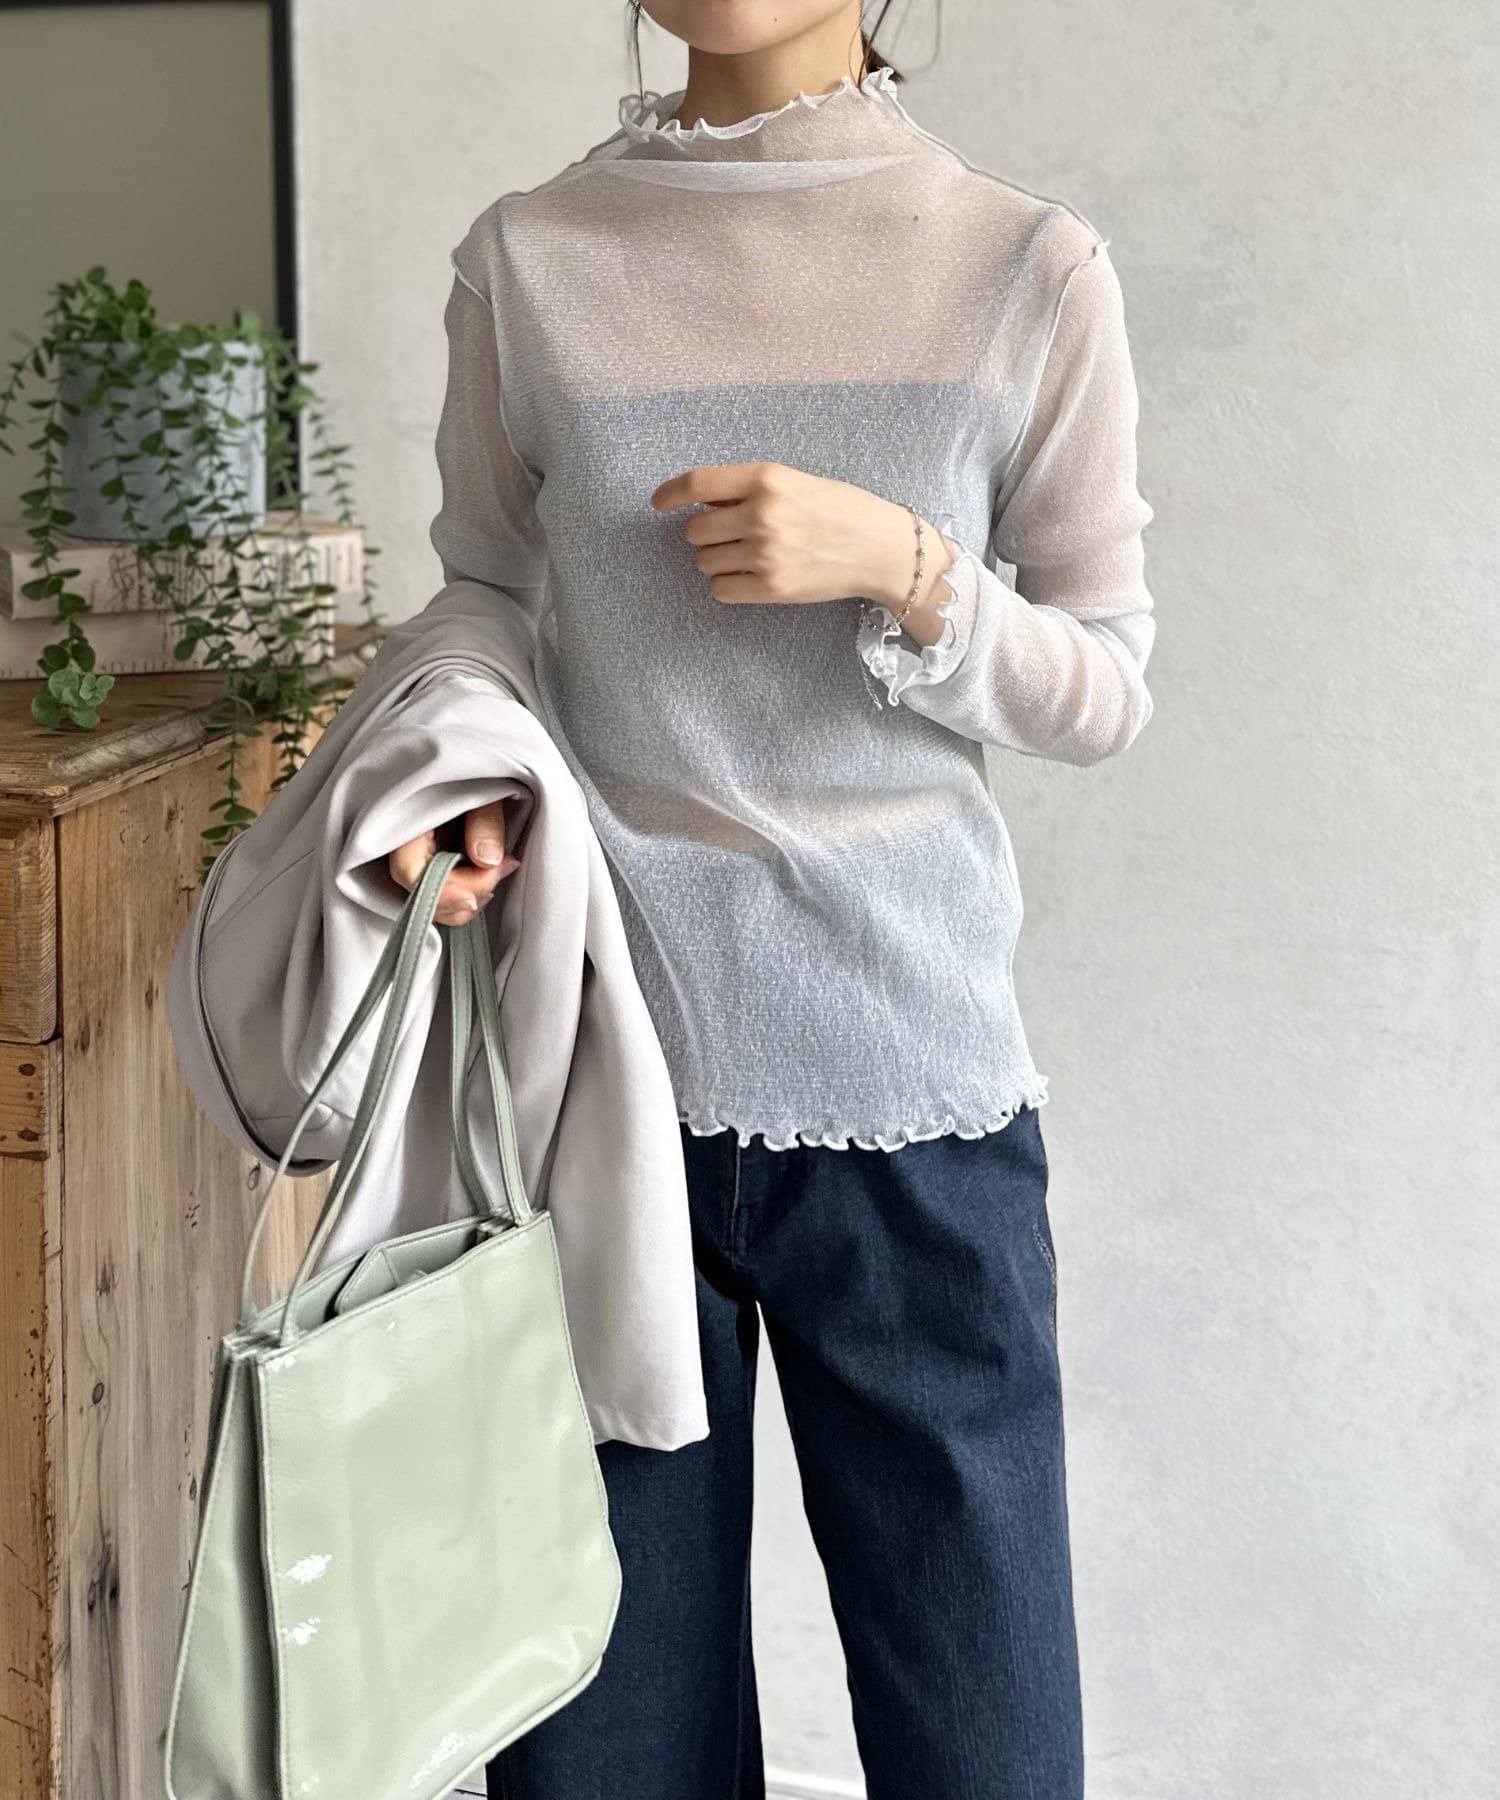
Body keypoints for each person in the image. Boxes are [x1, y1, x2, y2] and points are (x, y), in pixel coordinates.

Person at [390, 4, 1156, 1795]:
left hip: (910, 1096)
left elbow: (1106, 683)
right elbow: (482, 593)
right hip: (594, 1075)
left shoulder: (1020, 265)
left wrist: (908, 568)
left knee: (983, 1742)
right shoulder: (531, 260)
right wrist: (462, 767)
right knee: (599, 1744)